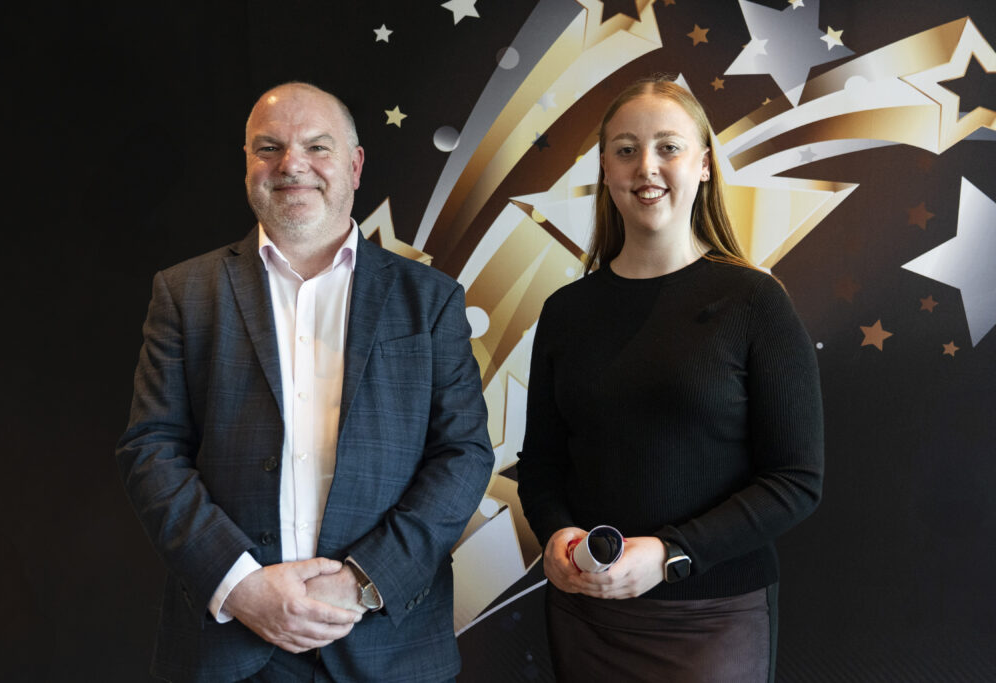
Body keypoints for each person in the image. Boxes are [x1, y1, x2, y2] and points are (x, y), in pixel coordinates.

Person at [116, 82, 494, 683]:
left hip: (387, 647)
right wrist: (238, 585)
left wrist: (363, 582)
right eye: (269, 148)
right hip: (228, 649)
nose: (291, 164)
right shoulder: (185, 293)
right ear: (248, 164)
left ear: (354, 163)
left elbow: (465, 454)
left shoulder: (431, 300)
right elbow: (151, 449)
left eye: (317, 146)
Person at [516, 76, 825, 682]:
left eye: (669, 147)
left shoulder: (755, 302)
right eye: (626, 150)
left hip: (713, 617)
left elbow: (796, 481)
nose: (646, 167)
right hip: (587, 617)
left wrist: (671, 554)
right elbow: (543, 467)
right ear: (605, 170)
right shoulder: (565, 312)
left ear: (704, 165)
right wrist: (555, 537)